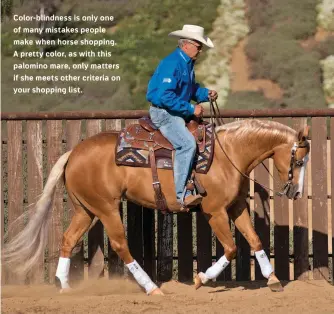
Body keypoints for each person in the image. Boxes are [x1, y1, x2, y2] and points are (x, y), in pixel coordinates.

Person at [146, 24, 218, 208]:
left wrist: (205, 94)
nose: (200, 50)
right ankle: (180, 196)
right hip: (165, 113)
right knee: (187, 144)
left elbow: (190, 89)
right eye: (198, 46)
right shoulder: (172, 64)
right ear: (186, 44)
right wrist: (190, 109)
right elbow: (164, 96)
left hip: (175, 111)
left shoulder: (185, 63)